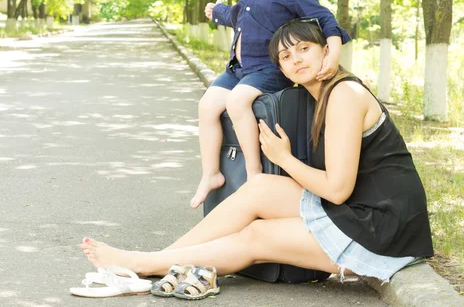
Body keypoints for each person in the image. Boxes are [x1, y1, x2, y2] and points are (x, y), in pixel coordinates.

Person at [81, 20, 433, 286]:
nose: (295, 59)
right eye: (285, 55)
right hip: (360, 210)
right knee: (259, 188)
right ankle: (155, 261)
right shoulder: (317, 98)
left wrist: (285, 159)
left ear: (326, 50)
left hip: (384, 230)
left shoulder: (344, 94)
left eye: (304, 48)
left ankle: (142, 266)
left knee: (257, 236)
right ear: (280, 70)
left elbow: (338, 189)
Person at [191, 0, 351, 209]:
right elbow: (235, 16)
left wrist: (334, 48)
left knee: (238, 102)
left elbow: (325, 18)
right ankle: (211, 173)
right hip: (238, 70)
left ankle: (254, 174)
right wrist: (215, 11)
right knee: (207, 106)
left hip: (268, 71)